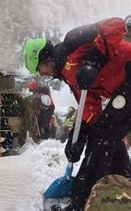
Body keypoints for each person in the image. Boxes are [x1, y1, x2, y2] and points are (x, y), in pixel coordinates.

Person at [23, 17, 131, 210]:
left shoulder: (72, 41)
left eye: (40, 69)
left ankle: (80, 202)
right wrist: (78, 135)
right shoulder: (69, 78)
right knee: (105, 134)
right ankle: (124, 185)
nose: (42, 74)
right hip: (124, 89)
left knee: (103, 134)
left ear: (45, 58)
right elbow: (90, 107)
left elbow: (116, 24)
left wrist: (94, 59)